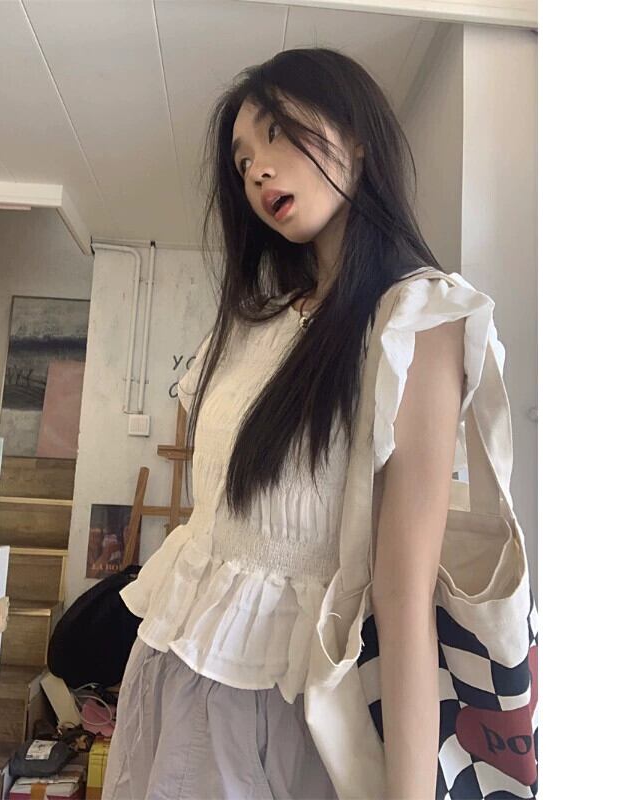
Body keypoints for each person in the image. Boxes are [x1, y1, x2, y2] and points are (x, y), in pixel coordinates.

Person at [102, 47, 503, 800]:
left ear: (357, 137)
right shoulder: (254, 323)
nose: (257, 169)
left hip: (282, 712)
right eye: (242, 160)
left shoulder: (415, 320)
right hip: (171, 673)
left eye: (279, 133)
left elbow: (403, 594)